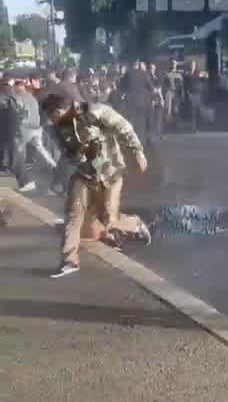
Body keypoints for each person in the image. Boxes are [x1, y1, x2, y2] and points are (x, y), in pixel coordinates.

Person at [41, 91, 151, 278]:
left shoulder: (95, 111)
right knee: (73, 216)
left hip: (110, 171)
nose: (51, 119)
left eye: (53, 114)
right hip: (84, 174)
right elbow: (66, 153)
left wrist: (137, 152)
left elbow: (123, 128)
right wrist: (79, 154)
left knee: (108, 218)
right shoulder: (54, 128)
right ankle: (69, 260)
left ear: (61, 109)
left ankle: (135, 224)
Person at [13, 79, 57, 192]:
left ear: (17, 88)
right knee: (40, 148)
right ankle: (54, 165)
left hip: (26, 128)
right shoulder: (31, 97)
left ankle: (23, 176)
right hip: (37, 127)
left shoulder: (18, 98)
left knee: (18, 151)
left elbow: (20, 113)